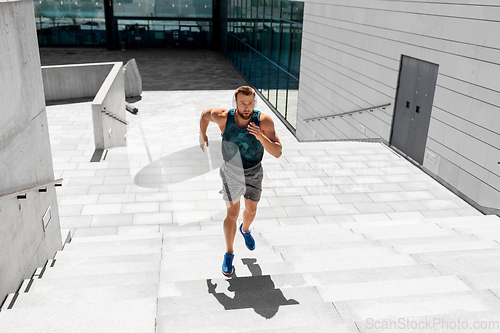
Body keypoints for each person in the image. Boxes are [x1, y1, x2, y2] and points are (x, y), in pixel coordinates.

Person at [199, 86, 282, 277]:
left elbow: (277, 152)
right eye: (243, 103)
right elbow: (204, 115)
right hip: (231, 171)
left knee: (251, 210)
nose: (247, 107)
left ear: (254, 102)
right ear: (235, 103)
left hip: (254, 171)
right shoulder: (223, 117)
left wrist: (260, 136)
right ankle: (229, 253)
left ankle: (245, 230)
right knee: (232, 213)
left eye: (250, 103)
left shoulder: (263, 121)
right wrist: (202, 134)